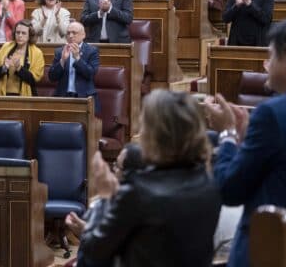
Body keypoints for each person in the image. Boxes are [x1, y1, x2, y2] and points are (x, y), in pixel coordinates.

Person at [69, 89, 220, 267]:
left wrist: (105, 197)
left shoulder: (138, 192)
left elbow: (94, 255)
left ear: (156, 137)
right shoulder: (209, 183)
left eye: (144, 126)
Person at [205, 18, 286, 267]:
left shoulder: (272, 114)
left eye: (271, 56)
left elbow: (230, 190)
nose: (267, 65)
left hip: (268, 252)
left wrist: (228, 135)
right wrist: (247, 142)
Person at [48, 21, 100, 114]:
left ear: (83, 35)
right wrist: (62, 60)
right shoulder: (60, 51)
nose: (70, 36)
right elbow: (52, 77)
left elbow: (90, 74)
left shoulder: (92, 51)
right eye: (68, 33)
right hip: (63, 97)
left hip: (84, 98)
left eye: (74, 33)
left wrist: (78, 59)